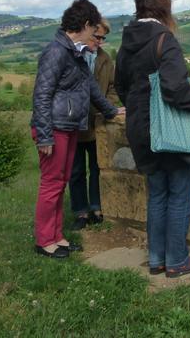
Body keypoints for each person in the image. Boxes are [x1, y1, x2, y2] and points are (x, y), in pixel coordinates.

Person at [115, 0, 190, 278]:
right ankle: (178, 260)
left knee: (157, 194)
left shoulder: (126, 43)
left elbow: (121, 87)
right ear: (164, 12)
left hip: (139, 128)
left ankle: (157, 258)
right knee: (180, 194)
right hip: (168, 131)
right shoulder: (164, 40)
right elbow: (175, 89)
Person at [31, 0, 124, 258]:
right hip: (54, 128)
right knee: (51, 184)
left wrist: (111, 110)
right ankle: (44, 241)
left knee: (60, 184)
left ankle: (56, 236)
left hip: (68, 126)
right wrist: (45, 135)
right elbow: (41, 95)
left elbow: (91, 88)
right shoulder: (56, 52)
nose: (96, 34)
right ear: (84, 25)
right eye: (94, 28)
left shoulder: (75, 52)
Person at [69, 17, 116, 230]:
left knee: (97, 167)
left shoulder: (105, 59)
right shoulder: (72, 56)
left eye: (103, 38)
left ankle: (97, 208)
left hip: (98, 122)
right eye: (97, 36)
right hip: (75, 123)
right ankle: (80, 212)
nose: (100, 42)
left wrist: (110, 106)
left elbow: (113, 87)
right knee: (76, 170)